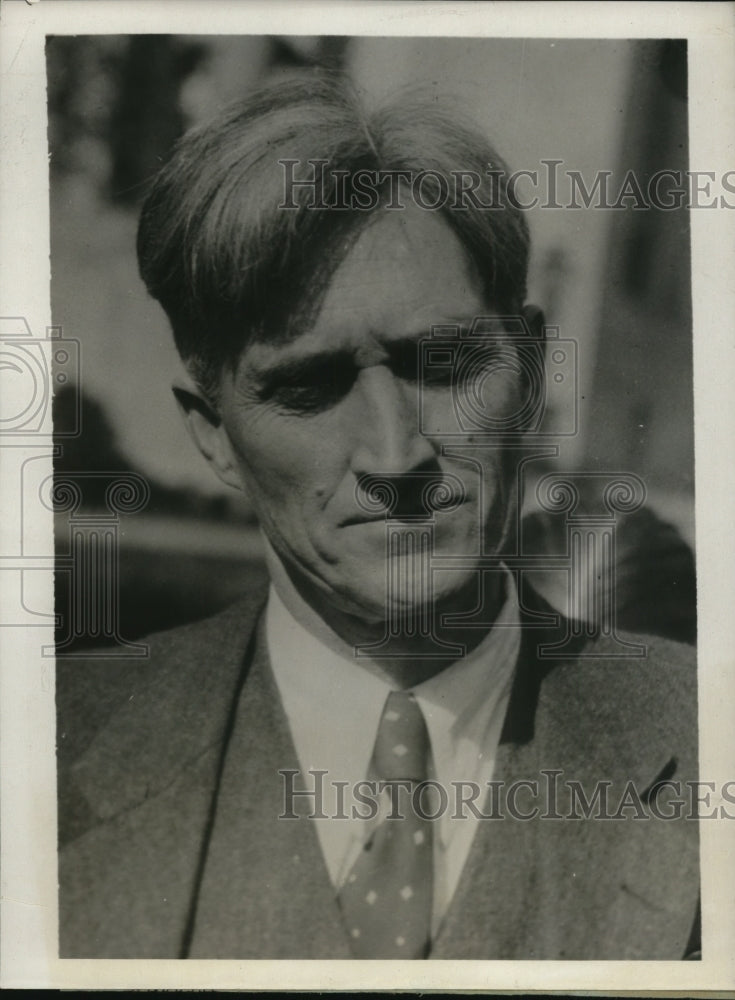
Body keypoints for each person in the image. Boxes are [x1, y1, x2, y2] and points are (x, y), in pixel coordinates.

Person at [56, 72, 699, 960]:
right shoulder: (42, 760)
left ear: (532, 365)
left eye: (444, 364)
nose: (395, 457)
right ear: (212, 436)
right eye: (307, 389)